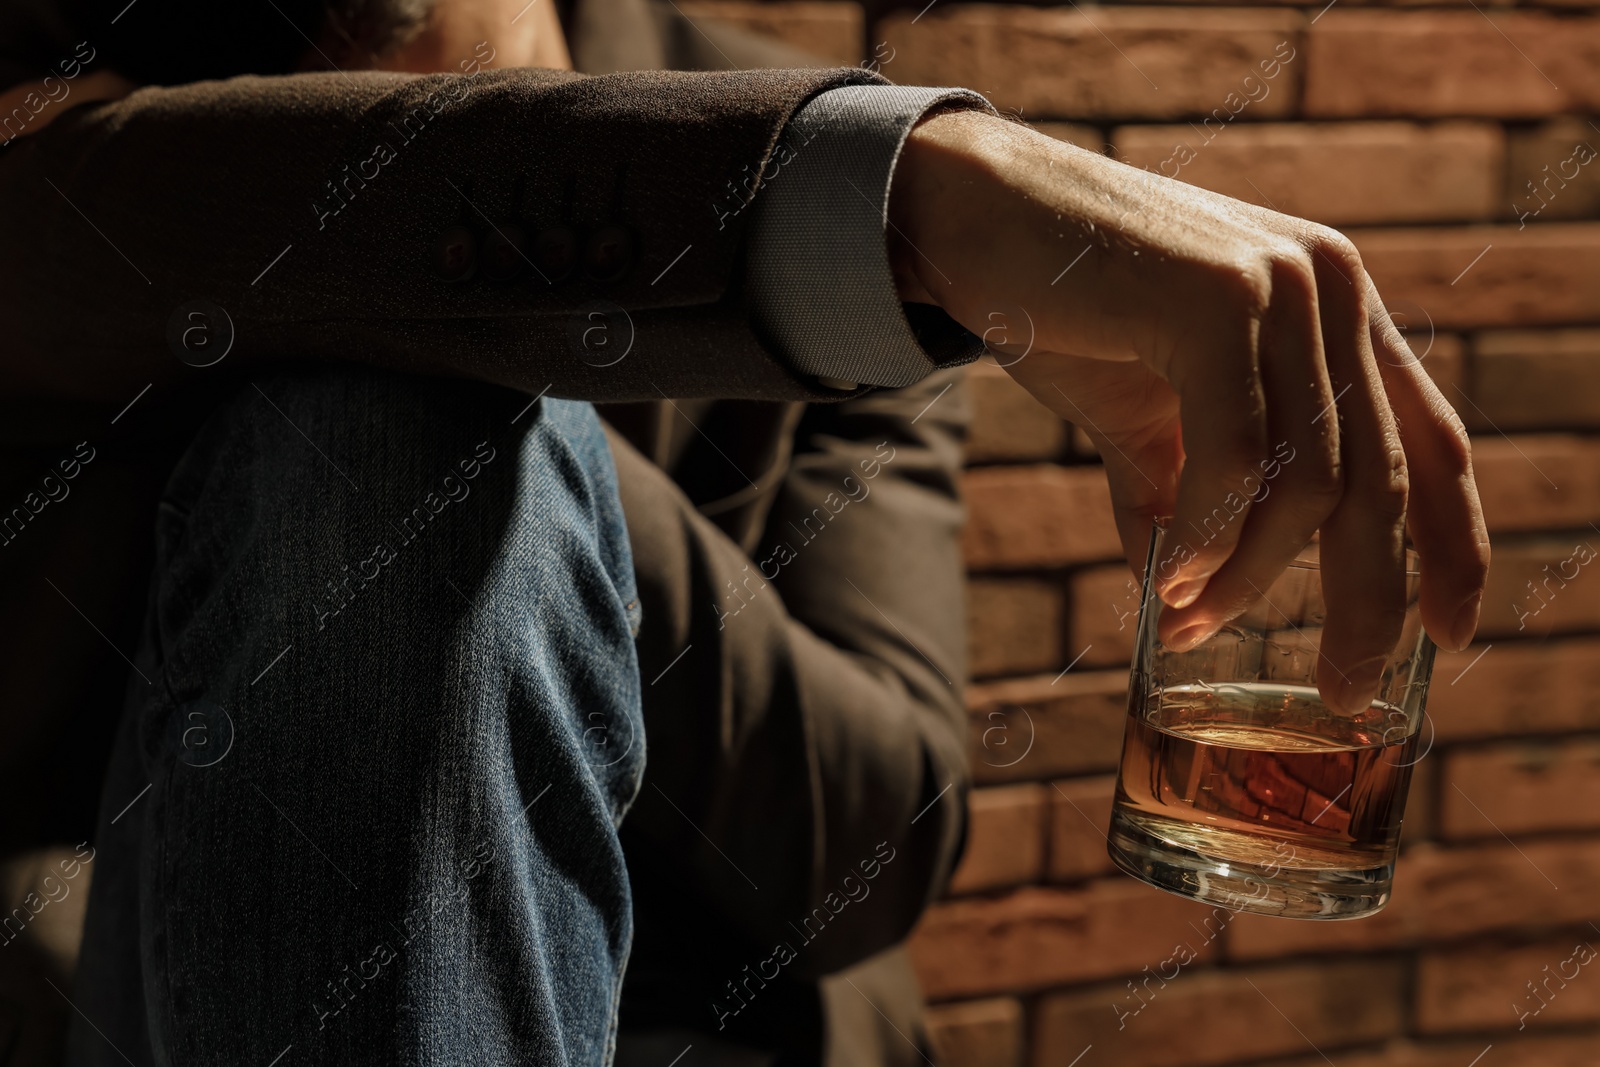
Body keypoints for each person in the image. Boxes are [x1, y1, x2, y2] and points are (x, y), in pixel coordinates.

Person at [0, 0, 1490, 1062]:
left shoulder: (748, 105)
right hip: (166, 988)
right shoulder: (94, 122)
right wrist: (877, 201)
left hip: (732, 1016)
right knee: (364, 439)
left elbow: (878, 822)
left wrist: (511, 372)